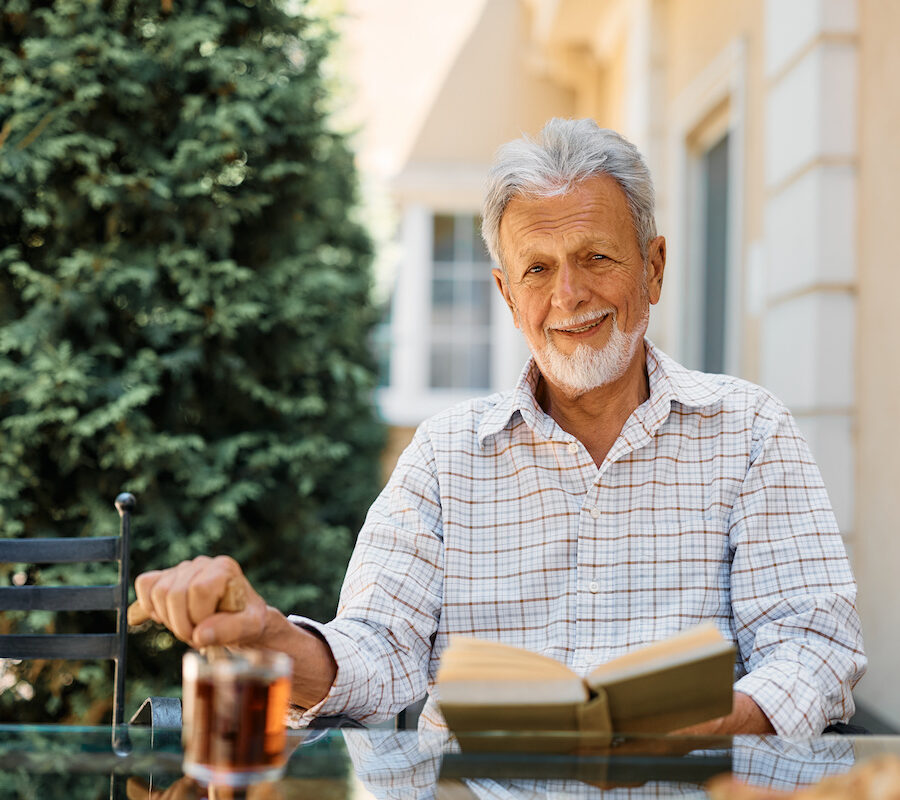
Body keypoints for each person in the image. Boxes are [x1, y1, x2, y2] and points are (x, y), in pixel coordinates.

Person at [133, 118, 866, 738]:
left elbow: (817, 648)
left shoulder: (750, 431)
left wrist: (696, 727)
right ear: (507, 295)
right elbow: (379, 652)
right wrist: (271, 639)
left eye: (596, 258)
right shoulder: (446, 454)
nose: (569, 296)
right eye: (537, 269)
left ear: (654, 266)